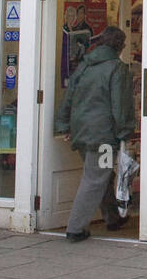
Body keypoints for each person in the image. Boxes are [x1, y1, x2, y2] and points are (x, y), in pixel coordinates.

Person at [54, 26, 135, 242]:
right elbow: (120, 105)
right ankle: (76, 227)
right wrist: (125, 131)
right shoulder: (117, 69)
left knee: (103, 174)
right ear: (119, 45)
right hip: (104, 136)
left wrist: (63, 125)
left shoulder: (84, 66)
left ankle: (112, 218)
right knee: (96, 178)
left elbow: (68, 96)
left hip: (81, 131)